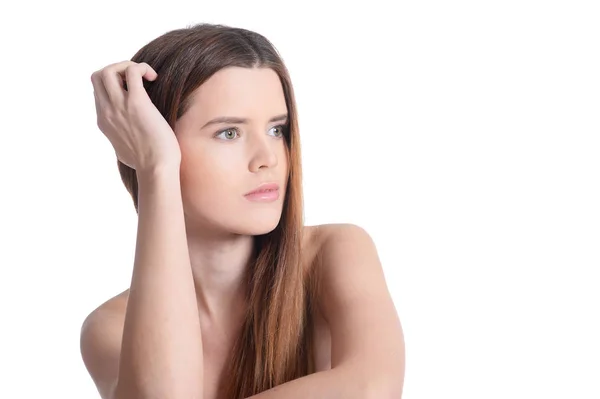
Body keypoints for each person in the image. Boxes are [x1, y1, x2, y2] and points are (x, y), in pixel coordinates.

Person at [79, 22, 405, 399]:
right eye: (229, 133)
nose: (268, 159)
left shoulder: (334, 252)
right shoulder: (109, 327)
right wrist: (155, 168)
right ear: (150, 141)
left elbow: (373, 389)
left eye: (276, 130)